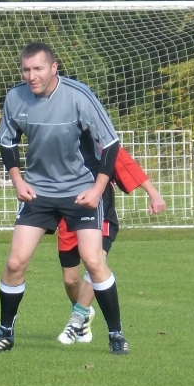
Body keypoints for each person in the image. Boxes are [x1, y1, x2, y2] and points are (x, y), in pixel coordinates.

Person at [0, 43, 129, 355]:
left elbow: (110, 143)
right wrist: (18, 180)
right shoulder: (16, 97)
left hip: (80, 191)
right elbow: (7, 141)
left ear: (54, 68)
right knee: (15, 262)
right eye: (26, 70)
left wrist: (97, 189)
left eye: (38, 68)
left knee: (93, 260)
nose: (31, 76)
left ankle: (116, 335)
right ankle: (4, 333)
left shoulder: (79, 95)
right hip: (38, 191)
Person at [54, 146, 166, 344]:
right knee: (70, 281)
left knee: (94, 263)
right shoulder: (60, 142)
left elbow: (129, 166)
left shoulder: (102, 143)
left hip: (101, 216)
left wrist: (154, 194)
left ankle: (77, 320)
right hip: (68, 218)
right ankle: (83, 312)